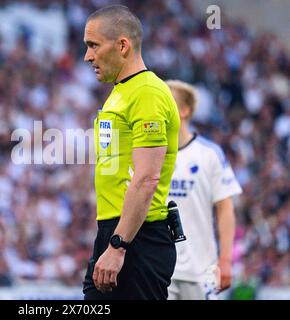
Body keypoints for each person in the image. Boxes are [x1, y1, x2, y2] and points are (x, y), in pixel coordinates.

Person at [82, 5, 180, 300]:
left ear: (122, 45)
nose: (88, 56)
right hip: (117, 233)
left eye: (93, 45)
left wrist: (118, 245)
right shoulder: (122, 92)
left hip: (137, 239)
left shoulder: (146, 93)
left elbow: (147, 177)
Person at [165, 80, 243, 300]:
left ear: (184, 110)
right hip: (159, 269)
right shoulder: (148, 154)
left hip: (201, 269)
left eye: (167, 102)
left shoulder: (209, 154)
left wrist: (225, 260)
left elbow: (225, 209)